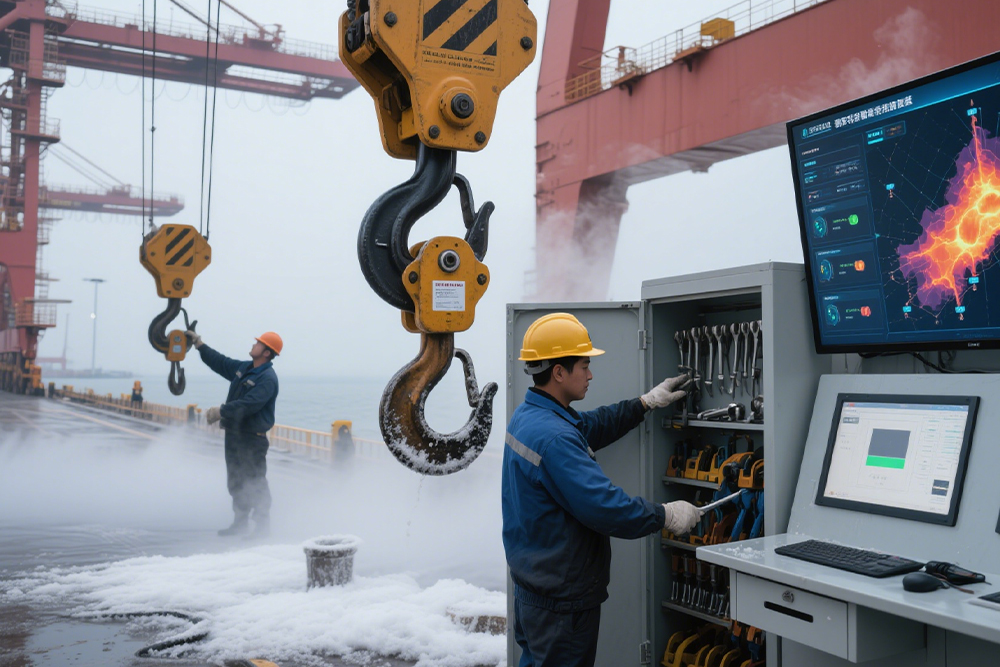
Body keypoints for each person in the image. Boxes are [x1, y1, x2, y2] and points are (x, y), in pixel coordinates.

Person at [502, 313, 701, 667]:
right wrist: (665, 515)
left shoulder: (530, 416)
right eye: (584, 365)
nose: (590, 374)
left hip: (535, 591)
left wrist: (645, 403)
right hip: (562, 606)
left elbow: (589, 426)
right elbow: (605, 507)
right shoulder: (555, 438)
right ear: (559, 372)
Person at [187, 329, 282, 539]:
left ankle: (262, 527)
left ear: (267, 352)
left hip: (252, 438)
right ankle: (239, 523)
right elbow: (220, 362)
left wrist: (221, 411)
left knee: (255, 480)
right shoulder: (244, 368)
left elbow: (250, 404)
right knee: (236, 480)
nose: (254, 344)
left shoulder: (267, 378)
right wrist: (200, 345)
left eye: (258, 343)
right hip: (234, 435)